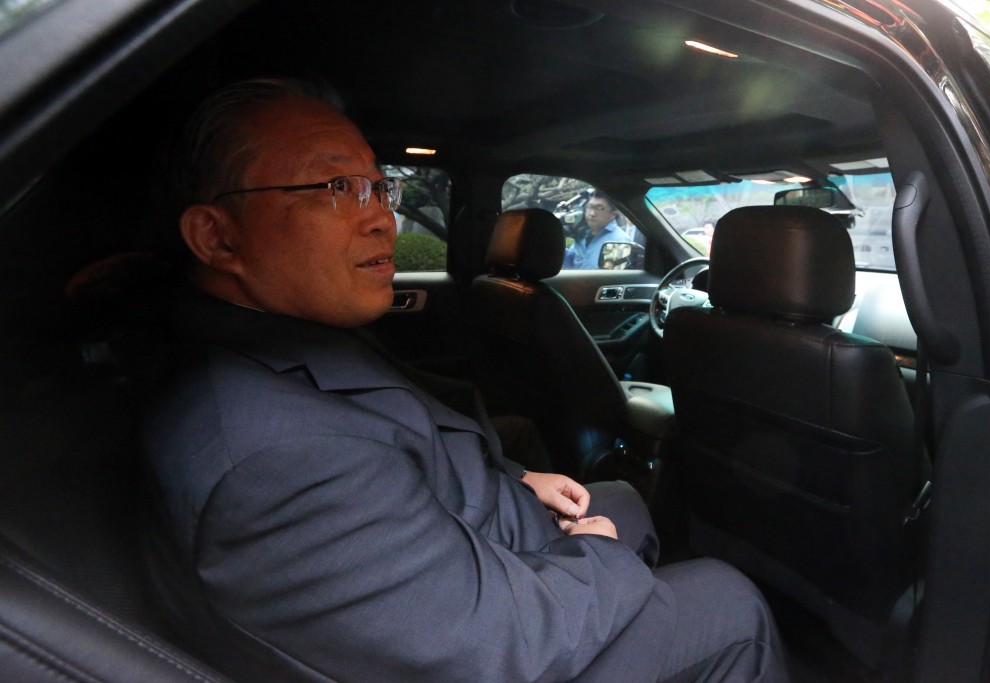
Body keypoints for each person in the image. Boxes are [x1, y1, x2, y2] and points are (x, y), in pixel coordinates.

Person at [140, 76, 789, 683]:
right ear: (216, 237)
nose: (380, 219)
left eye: (378, 188)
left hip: (457, 541)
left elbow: (400, 431)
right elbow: (491, 641)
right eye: (336, 188)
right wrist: (601, 560)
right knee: (727, 599)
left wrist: (514, 477)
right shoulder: (277, 460)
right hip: (494, 622)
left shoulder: (273, 339)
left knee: (618, 497)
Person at [563, 192, 632, 269]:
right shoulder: (583, 234)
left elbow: (613, 278)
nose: (592, 213)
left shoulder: (619, 241)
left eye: (599, 208)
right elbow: (574, 262)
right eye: (590, 207)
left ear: (613, 215)